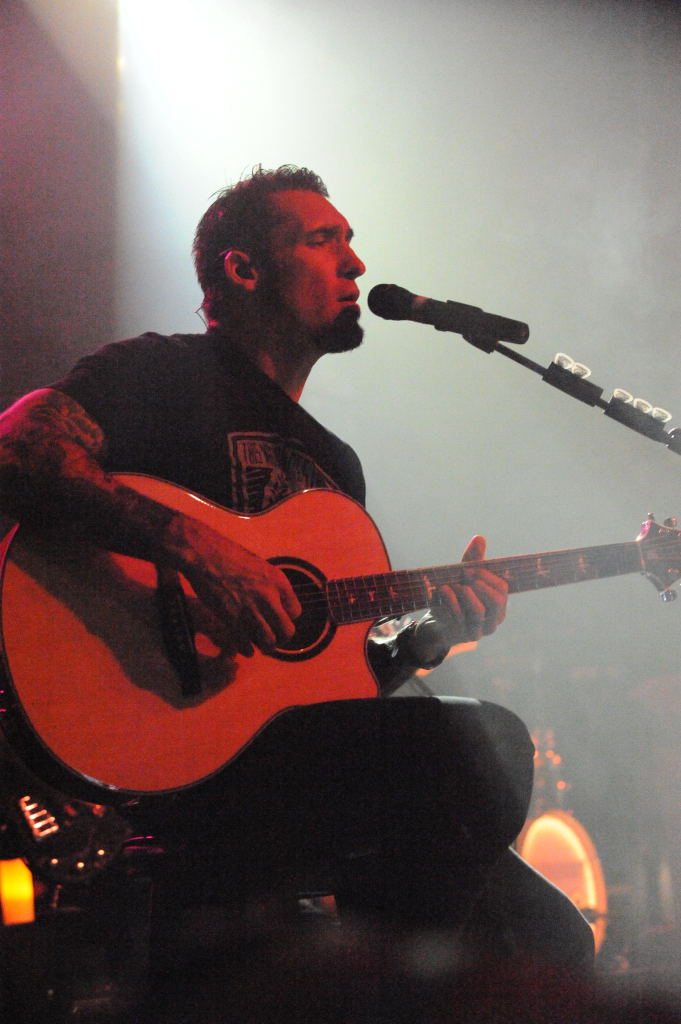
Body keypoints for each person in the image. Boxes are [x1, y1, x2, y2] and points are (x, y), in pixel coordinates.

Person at [0, 165, 593, 1016]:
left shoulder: (334, 465)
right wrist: (193, 545)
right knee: (476, 747)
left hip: (283, 756)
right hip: (161, 747)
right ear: (243, 270)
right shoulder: (160, 372)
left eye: (351, 242)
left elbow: (329, 673)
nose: (355, 264)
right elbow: (18, 448)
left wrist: (431, 634)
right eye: (322, 240)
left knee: (549, 940)